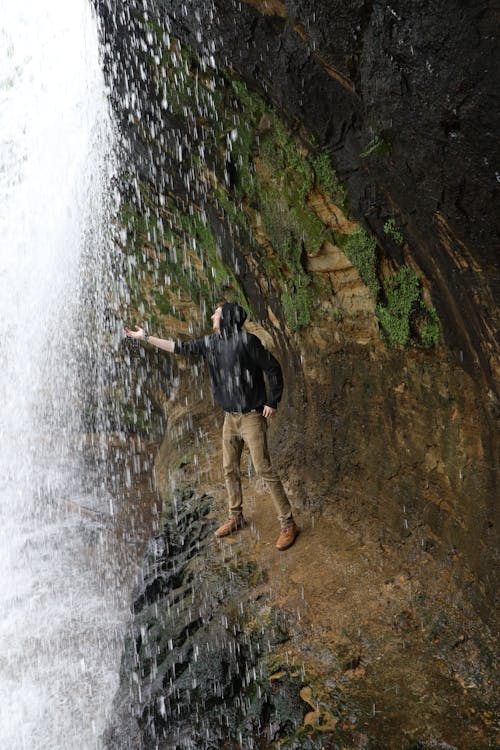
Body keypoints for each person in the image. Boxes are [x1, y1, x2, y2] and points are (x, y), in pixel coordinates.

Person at [124, 301, 298, 550]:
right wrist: (147, 337)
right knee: (229, 469)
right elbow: (178, 347)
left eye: (216, 314)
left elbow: (273, 368)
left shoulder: (247, 342)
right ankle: (235, 516)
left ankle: (288, 523)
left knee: (263, 470)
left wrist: (273, 400)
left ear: (226, 317)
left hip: (251, 417)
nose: (212, 317)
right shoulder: (212, 343)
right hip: (230, 417)